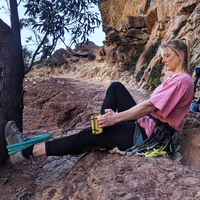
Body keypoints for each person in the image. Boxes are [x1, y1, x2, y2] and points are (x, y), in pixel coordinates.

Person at [5, 38, 194, 164]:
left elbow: (150, 106)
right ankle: (102, 128)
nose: (163, 61)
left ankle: (25, 152)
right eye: (162, 57)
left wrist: (117, 118)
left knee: (87, 136)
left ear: (181, 55)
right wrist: (113, 118)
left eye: (167, 56)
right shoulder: (175, 79)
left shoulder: (182, 81)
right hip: (145, 125)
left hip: (148, 136)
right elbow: (150, 107)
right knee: (116, 87)